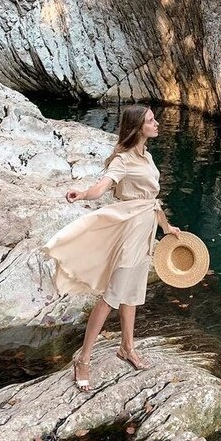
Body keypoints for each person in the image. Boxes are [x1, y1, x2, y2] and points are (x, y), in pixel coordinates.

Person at [43, 104, 181, 391]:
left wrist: (166, 228)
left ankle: (127, 347)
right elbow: (101, 187)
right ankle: (83, 359)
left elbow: (152, 200)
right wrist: (82, 194)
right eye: (151, 121)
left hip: (145, 231)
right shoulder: (123, 159)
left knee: (132, 292)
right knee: (111, 296)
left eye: (154, 119)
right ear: (137, 127)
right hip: (129, 232)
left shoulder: (148, 157)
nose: (157, 124)